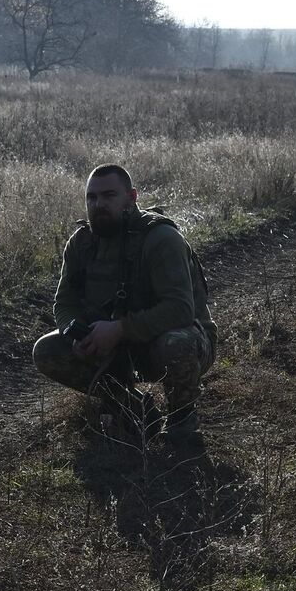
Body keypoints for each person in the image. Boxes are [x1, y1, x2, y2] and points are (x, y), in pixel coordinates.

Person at [33, 164, 216, 444]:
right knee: (47, 349)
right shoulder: (81, 243)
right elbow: (64, 301)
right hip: (116, 346)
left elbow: (180, 309)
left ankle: (182, 418)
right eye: (91, 198)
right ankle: (132, 407)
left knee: (175, 343)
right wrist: (74, 333)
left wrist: (119, 329)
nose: (99, 205)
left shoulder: (161, 239)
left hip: (178, 342)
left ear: (132, 197)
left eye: (109, 196)